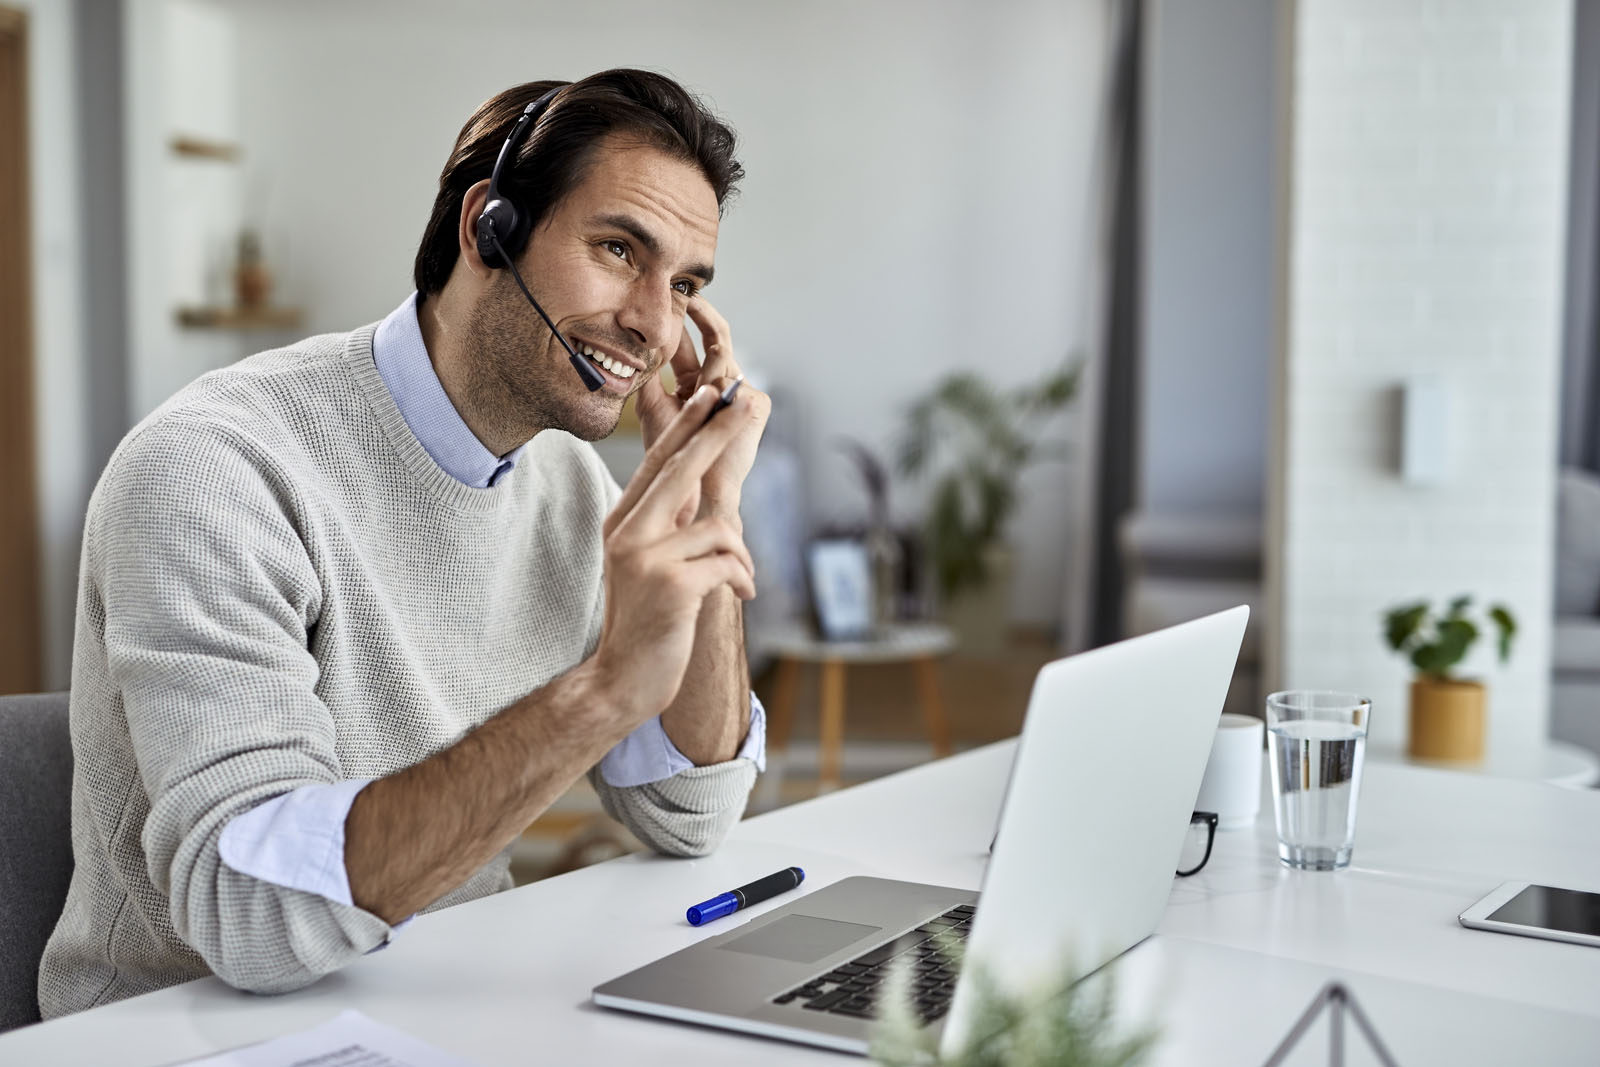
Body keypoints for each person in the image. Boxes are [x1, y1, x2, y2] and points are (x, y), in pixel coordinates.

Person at [39, 68, 771, 1017]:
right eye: (618, 248)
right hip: (184, 1030)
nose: (655, 321)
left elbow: (692, 812)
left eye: (684, 284)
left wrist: (697, 498)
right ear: (488, 228)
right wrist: (601, 692)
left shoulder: (568, 492)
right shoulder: (216, 468)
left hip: (442, 1005)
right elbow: (249, 918)